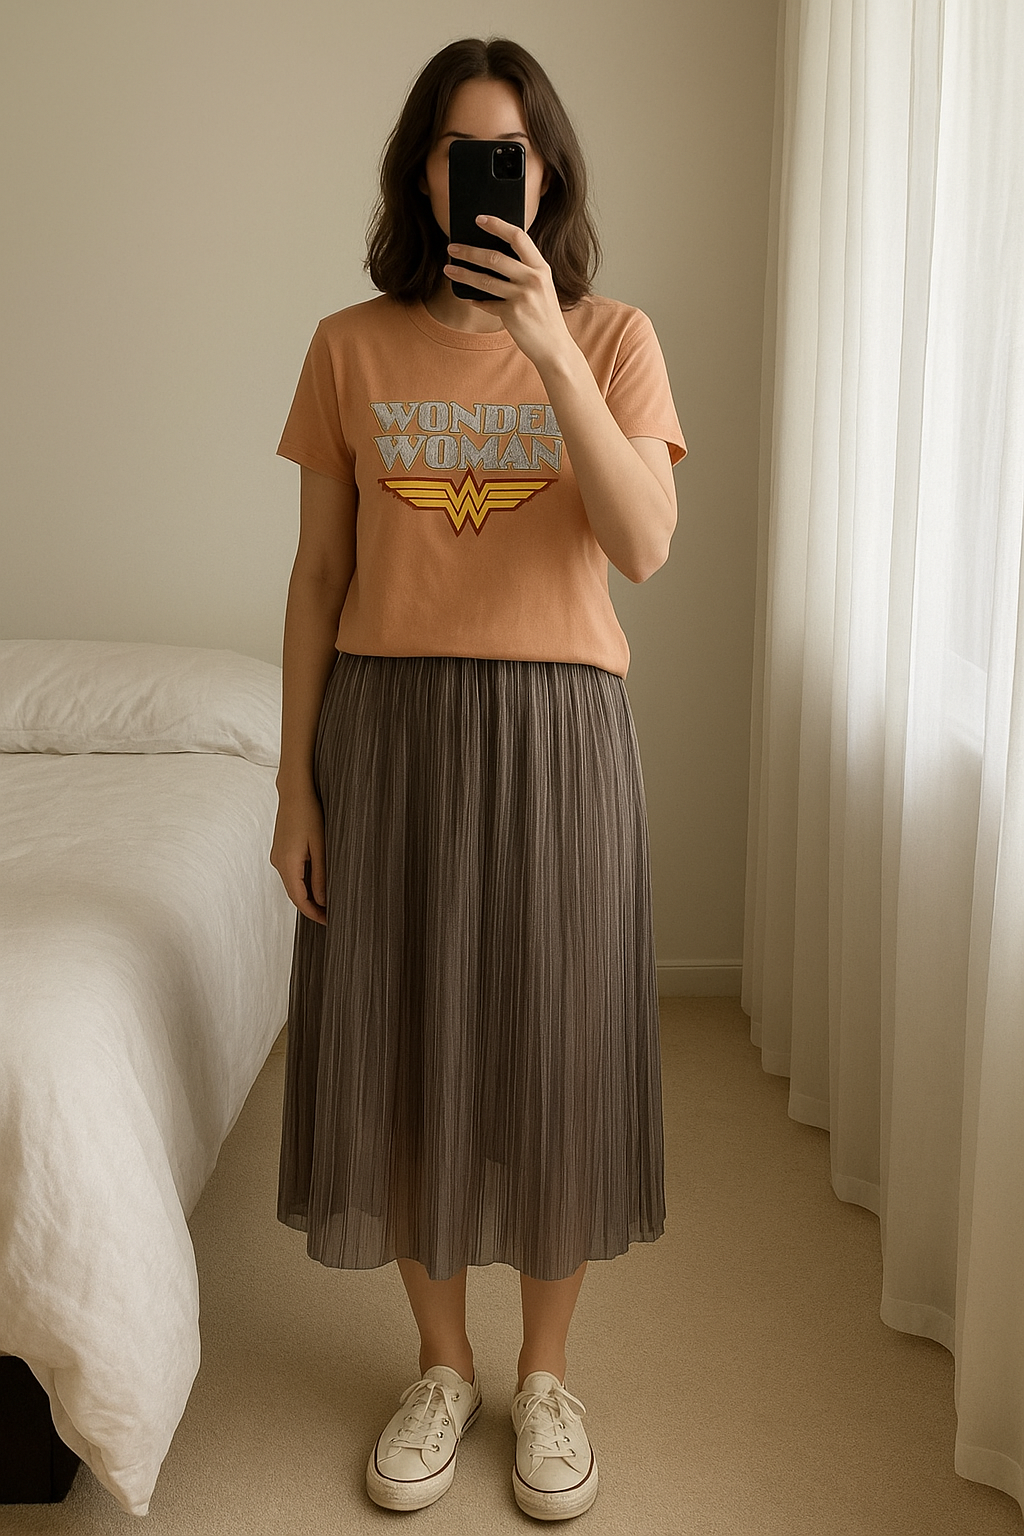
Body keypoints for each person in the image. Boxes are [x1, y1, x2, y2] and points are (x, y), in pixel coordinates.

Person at [270, 35, 686, 1523]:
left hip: (560, 736)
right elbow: (319, 578)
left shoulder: (617, 339)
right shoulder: (349, 346)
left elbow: (642, 544)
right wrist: (293, 789)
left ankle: (546, 1376)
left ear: (548, 172)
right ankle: (441, 1363)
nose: (483, 173)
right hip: (386, 727)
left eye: (509, 149)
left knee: (553, 1051)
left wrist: (550, 347)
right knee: (405, 1043)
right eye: (458, 148)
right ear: (424, 170)